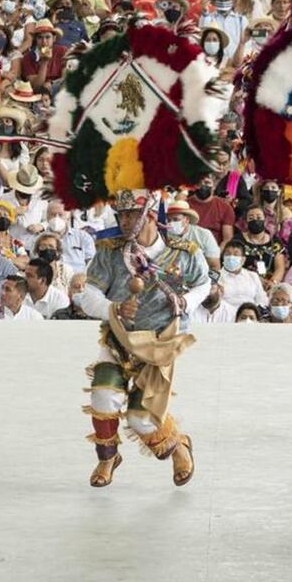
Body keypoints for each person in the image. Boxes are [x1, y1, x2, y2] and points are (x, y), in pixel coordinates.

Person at [72, 189, 205, 489]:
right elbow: (88, 295)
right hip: (120, 337)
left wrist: (187, 301)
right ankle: (108, 457)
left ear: (151, 215)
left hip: (160, 343)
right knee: (103, 395)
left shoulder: (183, 252)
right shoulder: (110, 251)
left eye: (133, 214)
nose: (125, 220)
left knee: (140, 419)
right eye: (122, 214)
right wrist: (114, 308)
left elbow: (204, 283)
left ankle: (178, 445)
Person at [166, 199, 220, 270]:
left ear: (186, 219)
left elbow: (214, 266)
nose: (171, 223)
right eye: (169, 220)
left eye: (175, 219)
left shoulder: (204, 235)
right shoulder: (165, 235)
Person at [46, 199, 96, 272]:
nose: (56, 218)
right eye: (53, 214)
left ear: (68, 215)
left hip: (77, 277)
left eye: (60, 215)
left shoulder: (83, 237)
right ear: (47, 216)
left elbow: (92, 263)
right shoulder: (37, 239)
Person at [187, 173, 235, 246]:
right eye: (199, 183)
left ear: (214, 186)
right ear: (195, 186)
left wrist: (217, 252)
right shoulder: (185, 205)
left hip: (213, 248)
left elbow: (227, 239)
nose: (203, 186)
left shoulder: (225, 208)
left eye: (207, 183)